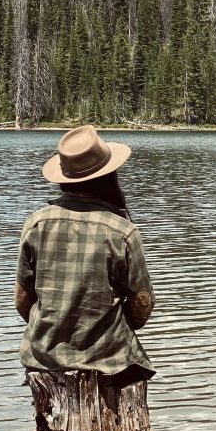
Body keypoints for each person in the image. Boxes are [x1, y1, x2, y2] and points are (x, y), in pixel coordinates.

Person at [15, 125, 155, 384]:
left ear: (63, 178)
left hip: (43, 357)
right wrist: (121, 326)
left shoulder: (36, 223)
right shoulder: (123, 230)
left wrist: (51, 326)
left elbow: (23, 298)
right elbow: (142, 302)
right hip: (110, 361)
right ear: (109, 176)